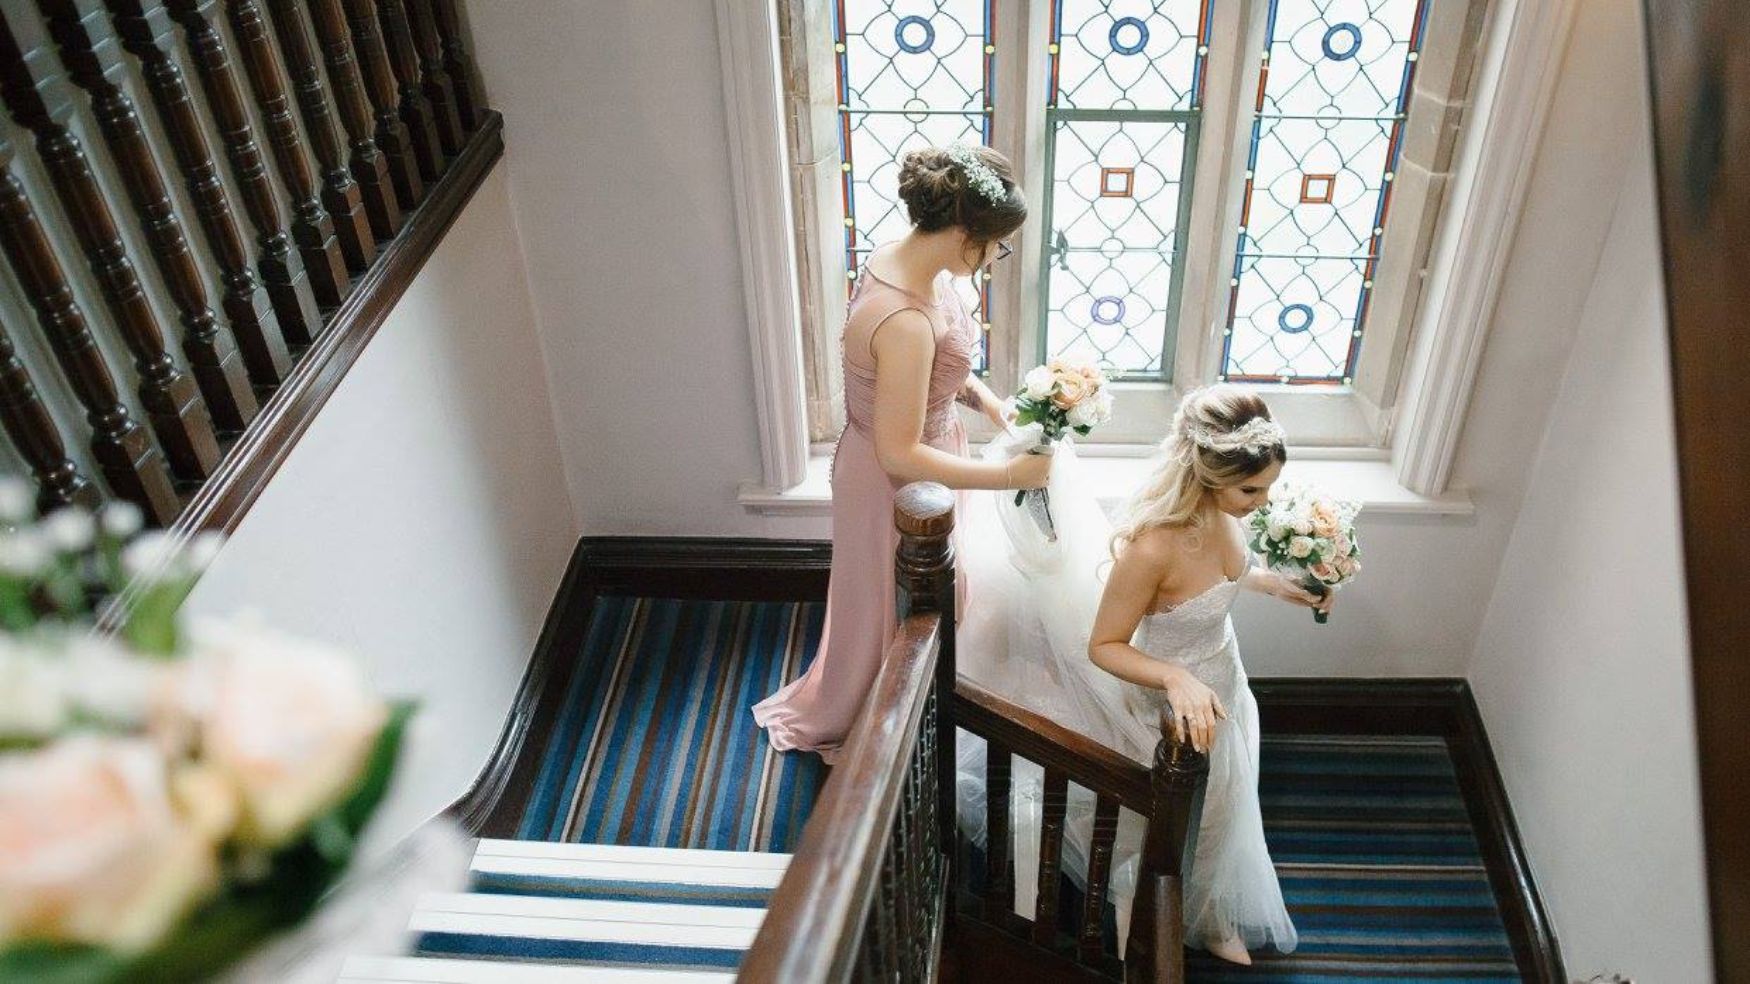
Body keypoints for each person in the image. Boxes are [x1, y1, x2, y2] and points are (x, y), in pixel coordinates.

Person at [958, 384, 1327, 963]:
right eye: (1252, 488)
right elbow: (1104, 645)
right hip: (1167, 701)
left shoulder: (1228, 515)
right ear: (1206, 474)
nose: (1262, 499)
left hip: (1223, 680)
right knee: (1175, 813)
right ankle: (1145, 894)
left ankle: (1205, 912)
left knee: (1224, 802)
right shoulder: (1153, 548)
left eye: (1269, 486)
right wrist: (1175, 680)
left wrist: (1271, 583)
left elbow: (1222, 578)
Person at [753, 143, 1049, 763]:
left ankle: (917, 700)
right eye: (997, 243)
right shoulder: (905, 321)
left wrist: (989, 404)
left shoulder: (905, 261)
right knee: (895, 601)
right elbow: (899, 454)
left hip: (931, 454)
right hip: (898, 480)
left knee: (926, 592)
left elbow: (934, 374)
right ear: (965, 232)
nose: (997, 256)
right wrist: (1009, 475)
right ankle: (881, 716)